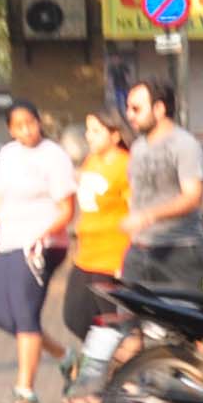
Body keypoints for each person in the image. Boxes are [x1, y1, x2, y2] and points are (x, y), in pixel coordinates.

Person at [0, 98, 76, 403]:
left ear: (39, 122)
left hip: (41, 246)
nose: (26, 131)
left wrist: (44, 233)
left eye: (30, 123)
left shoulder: (54, 156)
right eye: (18, 126)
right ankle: (66, 357)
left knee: (25, 314)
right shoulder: (8, 155)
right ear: (10, 129)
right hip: (9, 242)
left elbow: (67, 209)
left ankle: (25, 391)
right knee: (2, 317)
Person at [117, 77, 203, 291]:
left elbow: (193, 197)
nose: (129, 115)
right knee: (129, 321)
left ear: (159, 108)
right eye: (128, 108)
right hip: (139, 249)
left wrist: (149, 216)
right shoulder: (138, 147)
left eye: (136, 108)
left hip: (179, 250)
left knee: (181, 321)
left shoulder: (184, 144)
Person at [59, 111, 130, 365]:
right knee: (74, 317)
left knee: (112, 324)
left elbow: (135, 212)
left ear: (115, 134)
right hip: (86, 255)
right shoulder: (91, 160)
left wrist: (129, 257)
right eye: (88, 130)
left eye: (96, 131)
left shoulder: (126, 165)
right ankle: (116, 365)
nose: (89, 136)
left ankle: (127, 376)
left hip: (111, 256)